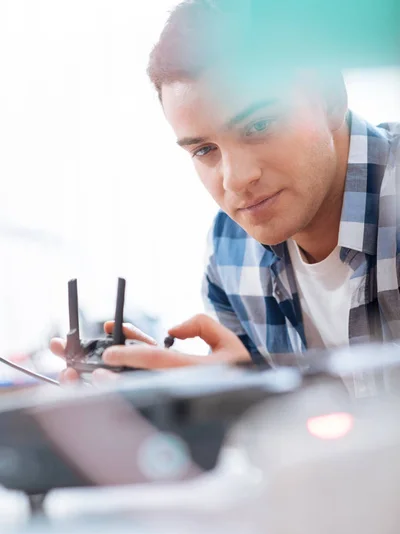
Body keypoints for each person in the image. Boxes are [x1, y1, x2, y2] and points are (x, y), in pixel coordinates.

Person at [51, 0, 400, 380]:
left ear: (331, 98)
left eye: (260, 125)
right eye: (204, 150)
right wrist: (208, 403)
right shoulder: (230, 254)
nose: (236, 179)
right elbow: (286, 430)